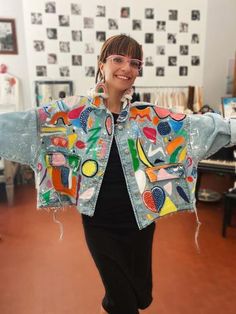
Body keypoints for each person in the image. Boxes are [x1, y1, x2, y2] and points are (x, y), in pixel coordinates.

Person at [0, 35, 235, 314]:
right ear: (102, 65)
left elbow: (201, 127)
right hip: (100, 223)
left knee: (137, 297)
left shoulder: (148, 118)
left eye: (135, 62)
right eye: (118, 59)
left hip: (140, 219)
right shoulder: (72, 114)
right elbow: (25, 126)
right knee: (123, 303)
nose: (127, 67)